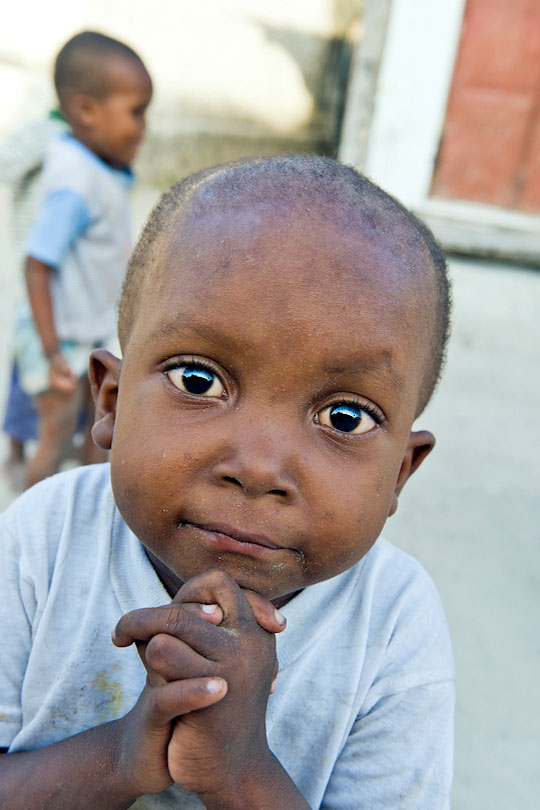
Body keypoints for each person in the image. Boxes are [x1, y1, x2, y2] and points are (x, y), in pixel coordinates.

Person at [0, 155, 454, 809]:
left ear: (399, 475)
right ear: (110, 401)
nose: (260, 466)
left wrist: (240, 774)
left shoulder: (393, 624)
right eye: (198, 380)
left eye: (344, 417)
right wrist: (125, 755)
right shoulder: (44, 537)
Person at [15, 31, 152, 489]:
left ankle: (84, 523)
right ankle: (27, 536)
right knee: (53, 439)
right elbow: (37, 263)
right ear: (87, 111)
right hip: (59, 340)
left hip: (86, 332)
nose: (144, 127)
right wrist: (52, 350)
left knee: (101, 433)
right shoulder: (75, 181)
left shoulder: (98, 167)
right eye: (136, 111)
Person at [0, 110, 68, 488]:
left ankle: (43, 448)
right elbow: (6, 165)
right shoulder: (46, 134)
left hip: (70, 288)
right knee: (28, 373)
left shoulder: (91, 150)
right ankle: (15, 450)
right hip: (37, 277)